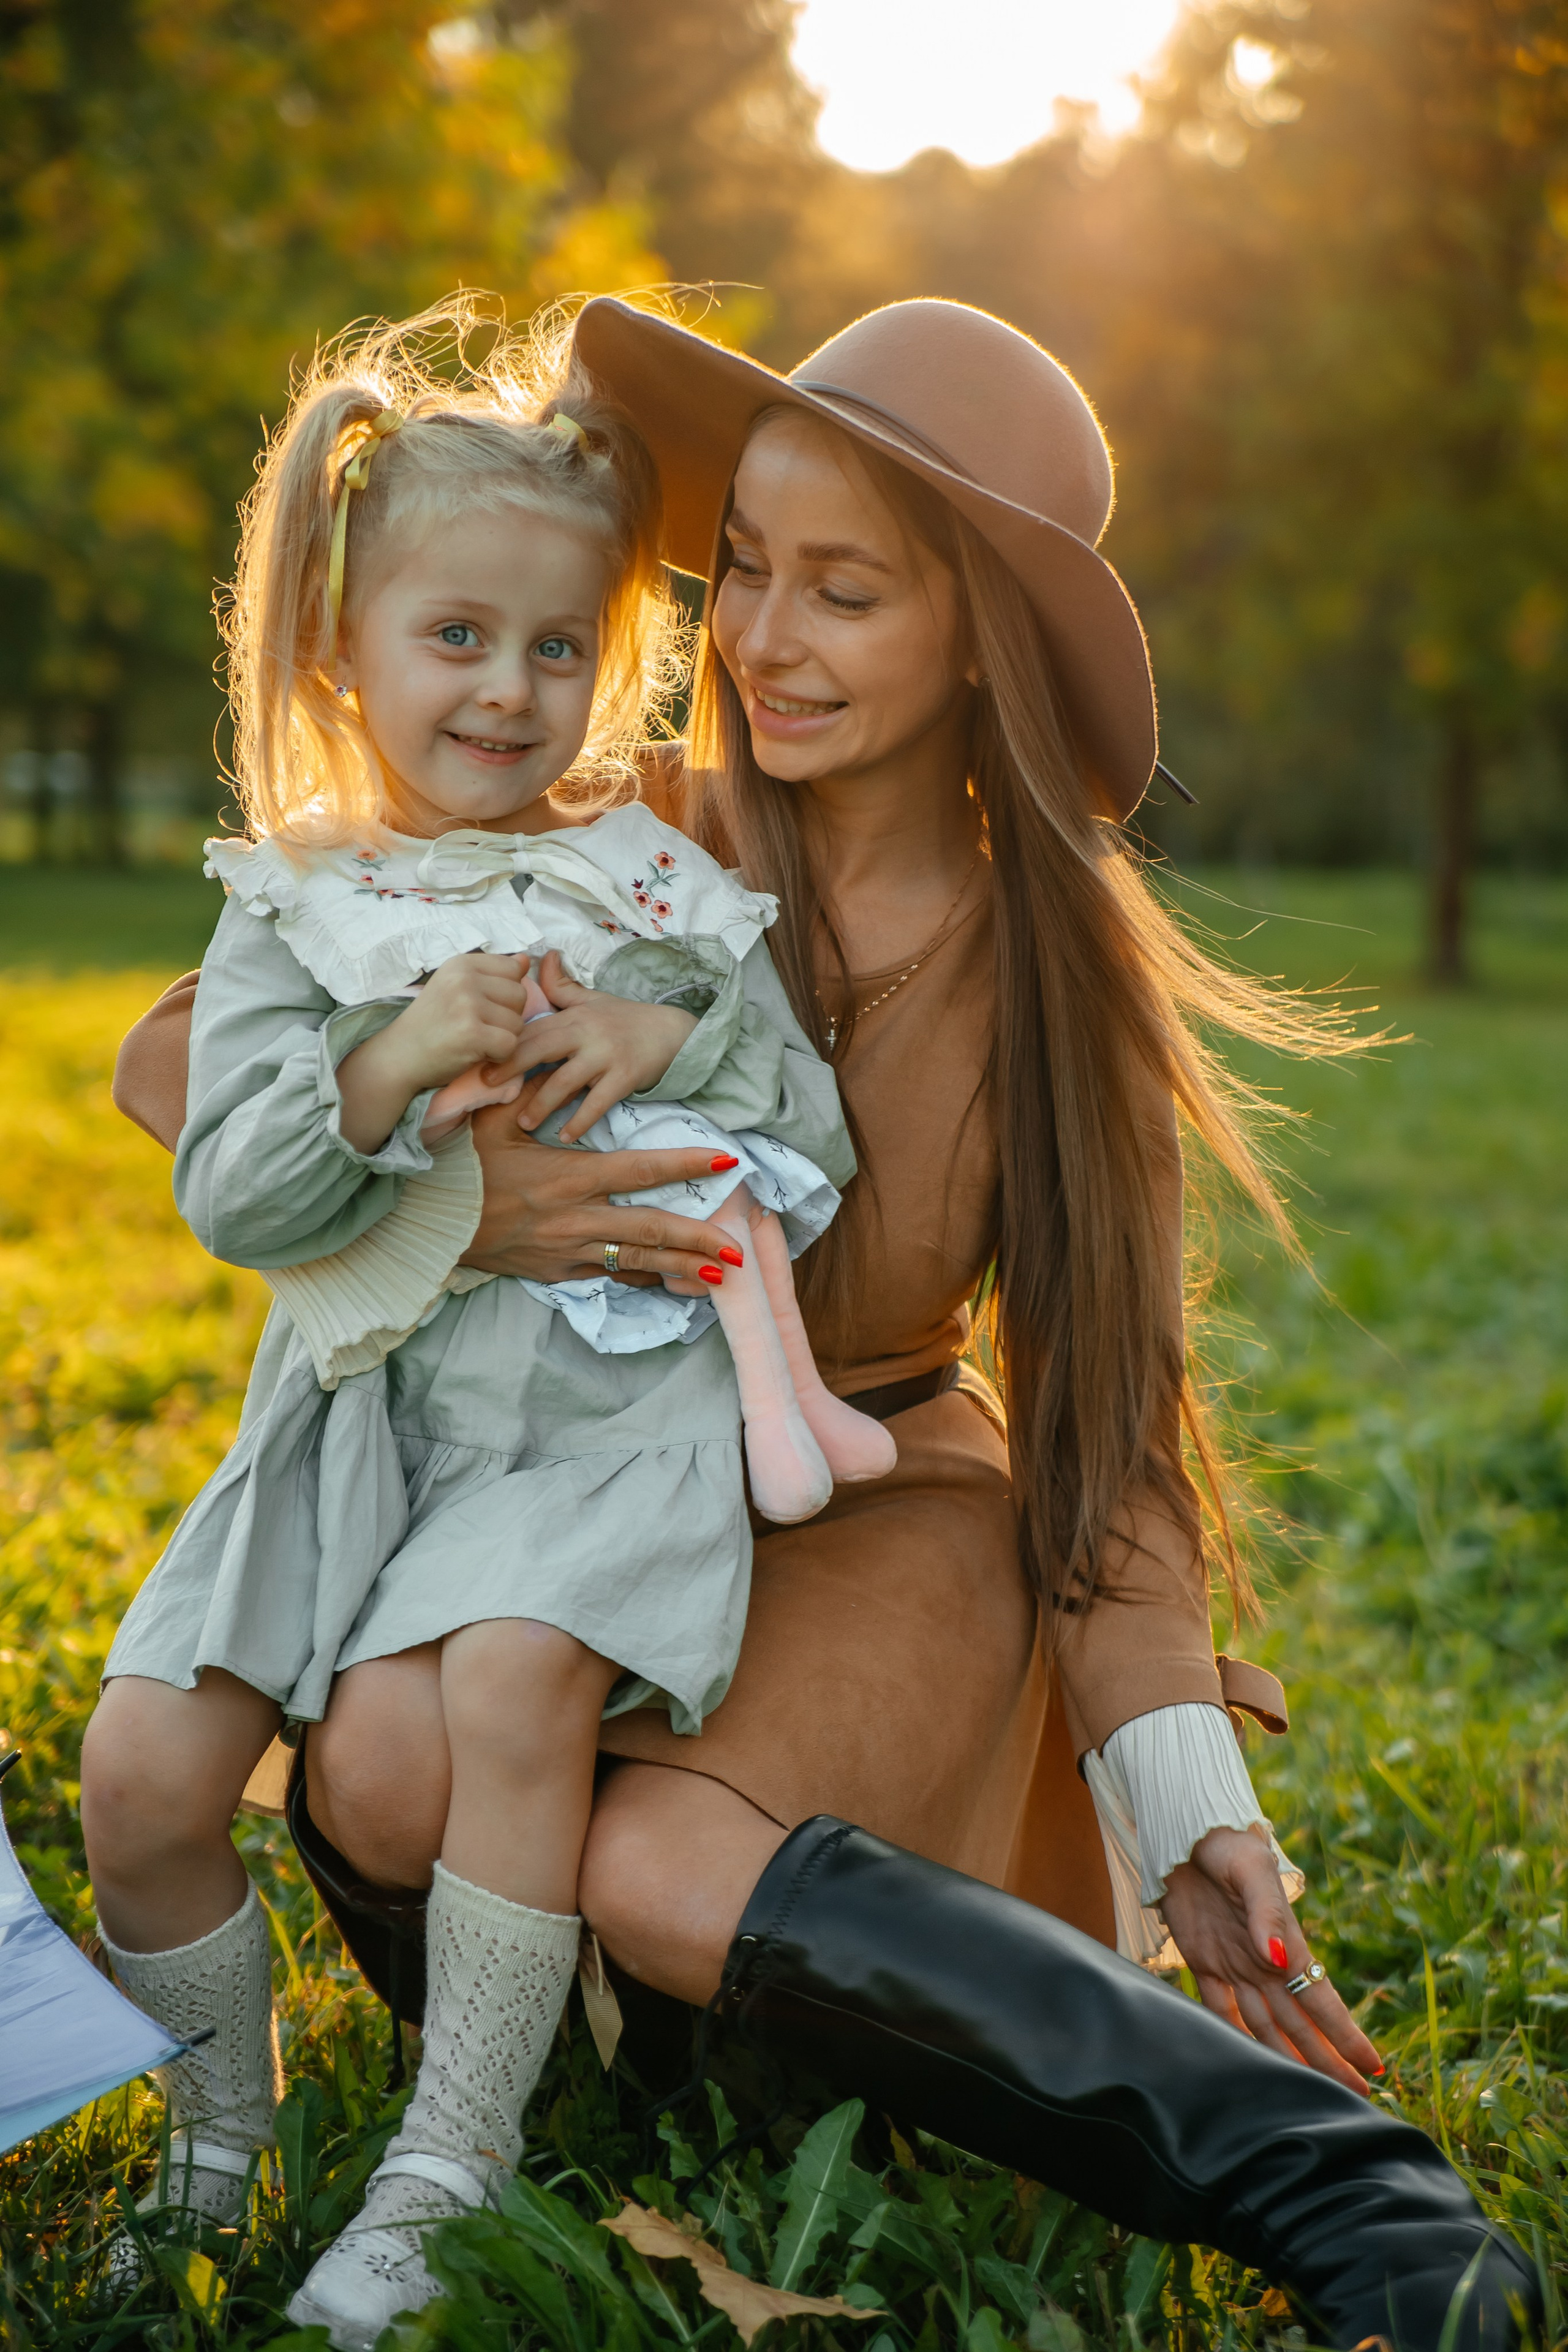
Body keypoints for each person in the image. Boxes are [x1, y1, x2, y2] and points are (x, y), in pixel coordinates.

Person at [111, 296, 1539, 2348]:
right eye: (748, 571)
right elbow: (184, 1052)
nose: (766, 641)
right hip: (584, 1468)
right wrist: (466, 1204)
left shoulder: (1053, 972)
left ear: (977, 641)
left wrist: (1190, 1799)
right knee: (388, 1770)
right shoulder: (625, 822)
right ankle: (610, 2078)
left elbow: (1111, 1424)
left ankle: (1356, 2199)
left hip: (874, 1488)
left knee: (658, 1869)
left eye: (845, 593)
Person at [78, 299, 882, 2348]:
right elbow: (238, 1194)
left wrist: (668, 1033)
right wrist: (390, 1059)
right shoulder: (299, 903)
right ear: (341, 645)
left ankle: (450, 2162)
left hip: (600, 1422)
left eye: (556, 647)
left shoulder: (657, 886)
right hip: (355, 1413)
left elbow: (810, 1128)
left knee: (517, 1683)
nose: (510, 691)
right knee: (142, 1776)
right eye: (456, 636)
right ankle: (215, 2137)